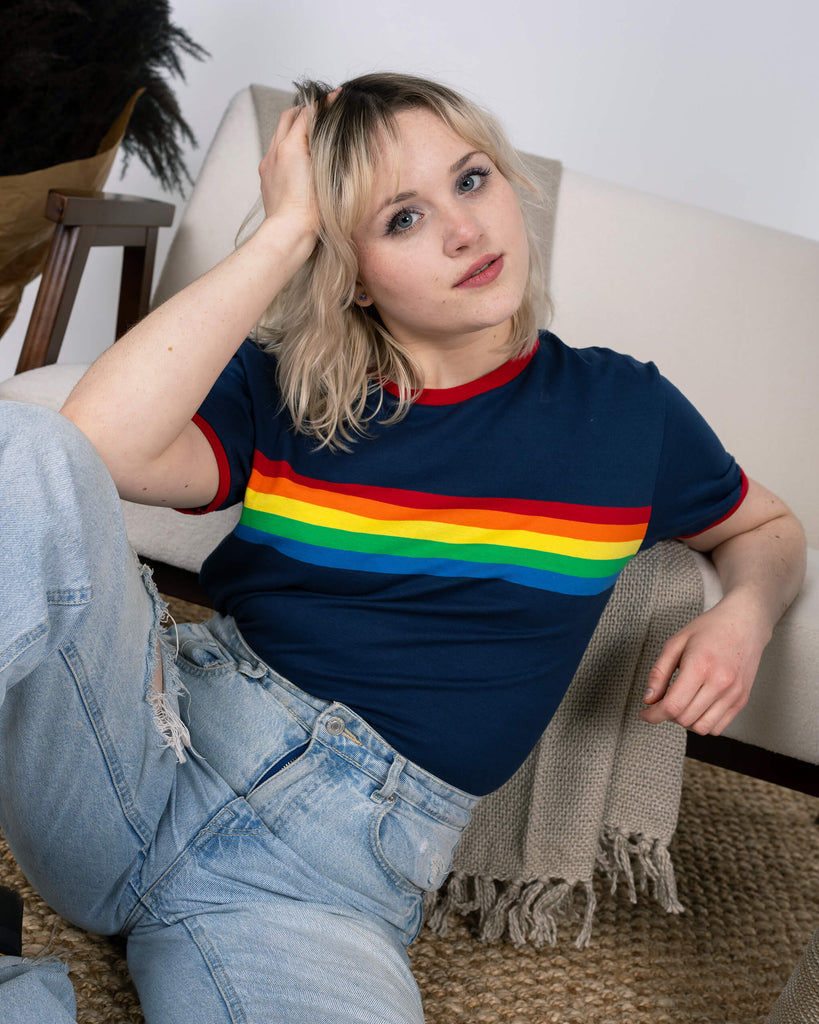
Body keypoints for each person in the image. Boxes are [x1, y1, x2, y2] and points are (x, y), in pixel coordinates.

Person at [0, 72, 806, 1024]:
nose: (463, 231)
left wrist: (743, 615)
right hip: (140, 752)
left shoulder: (625, 413)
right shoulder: (290, 385)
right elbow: (87, 453)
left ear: (511, 185)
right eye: (401, 220)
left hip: (322, 887)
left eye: (469, 181)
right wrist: (285, 230)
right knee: (27, 446)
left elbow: (765, 527)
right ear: (348, 269)